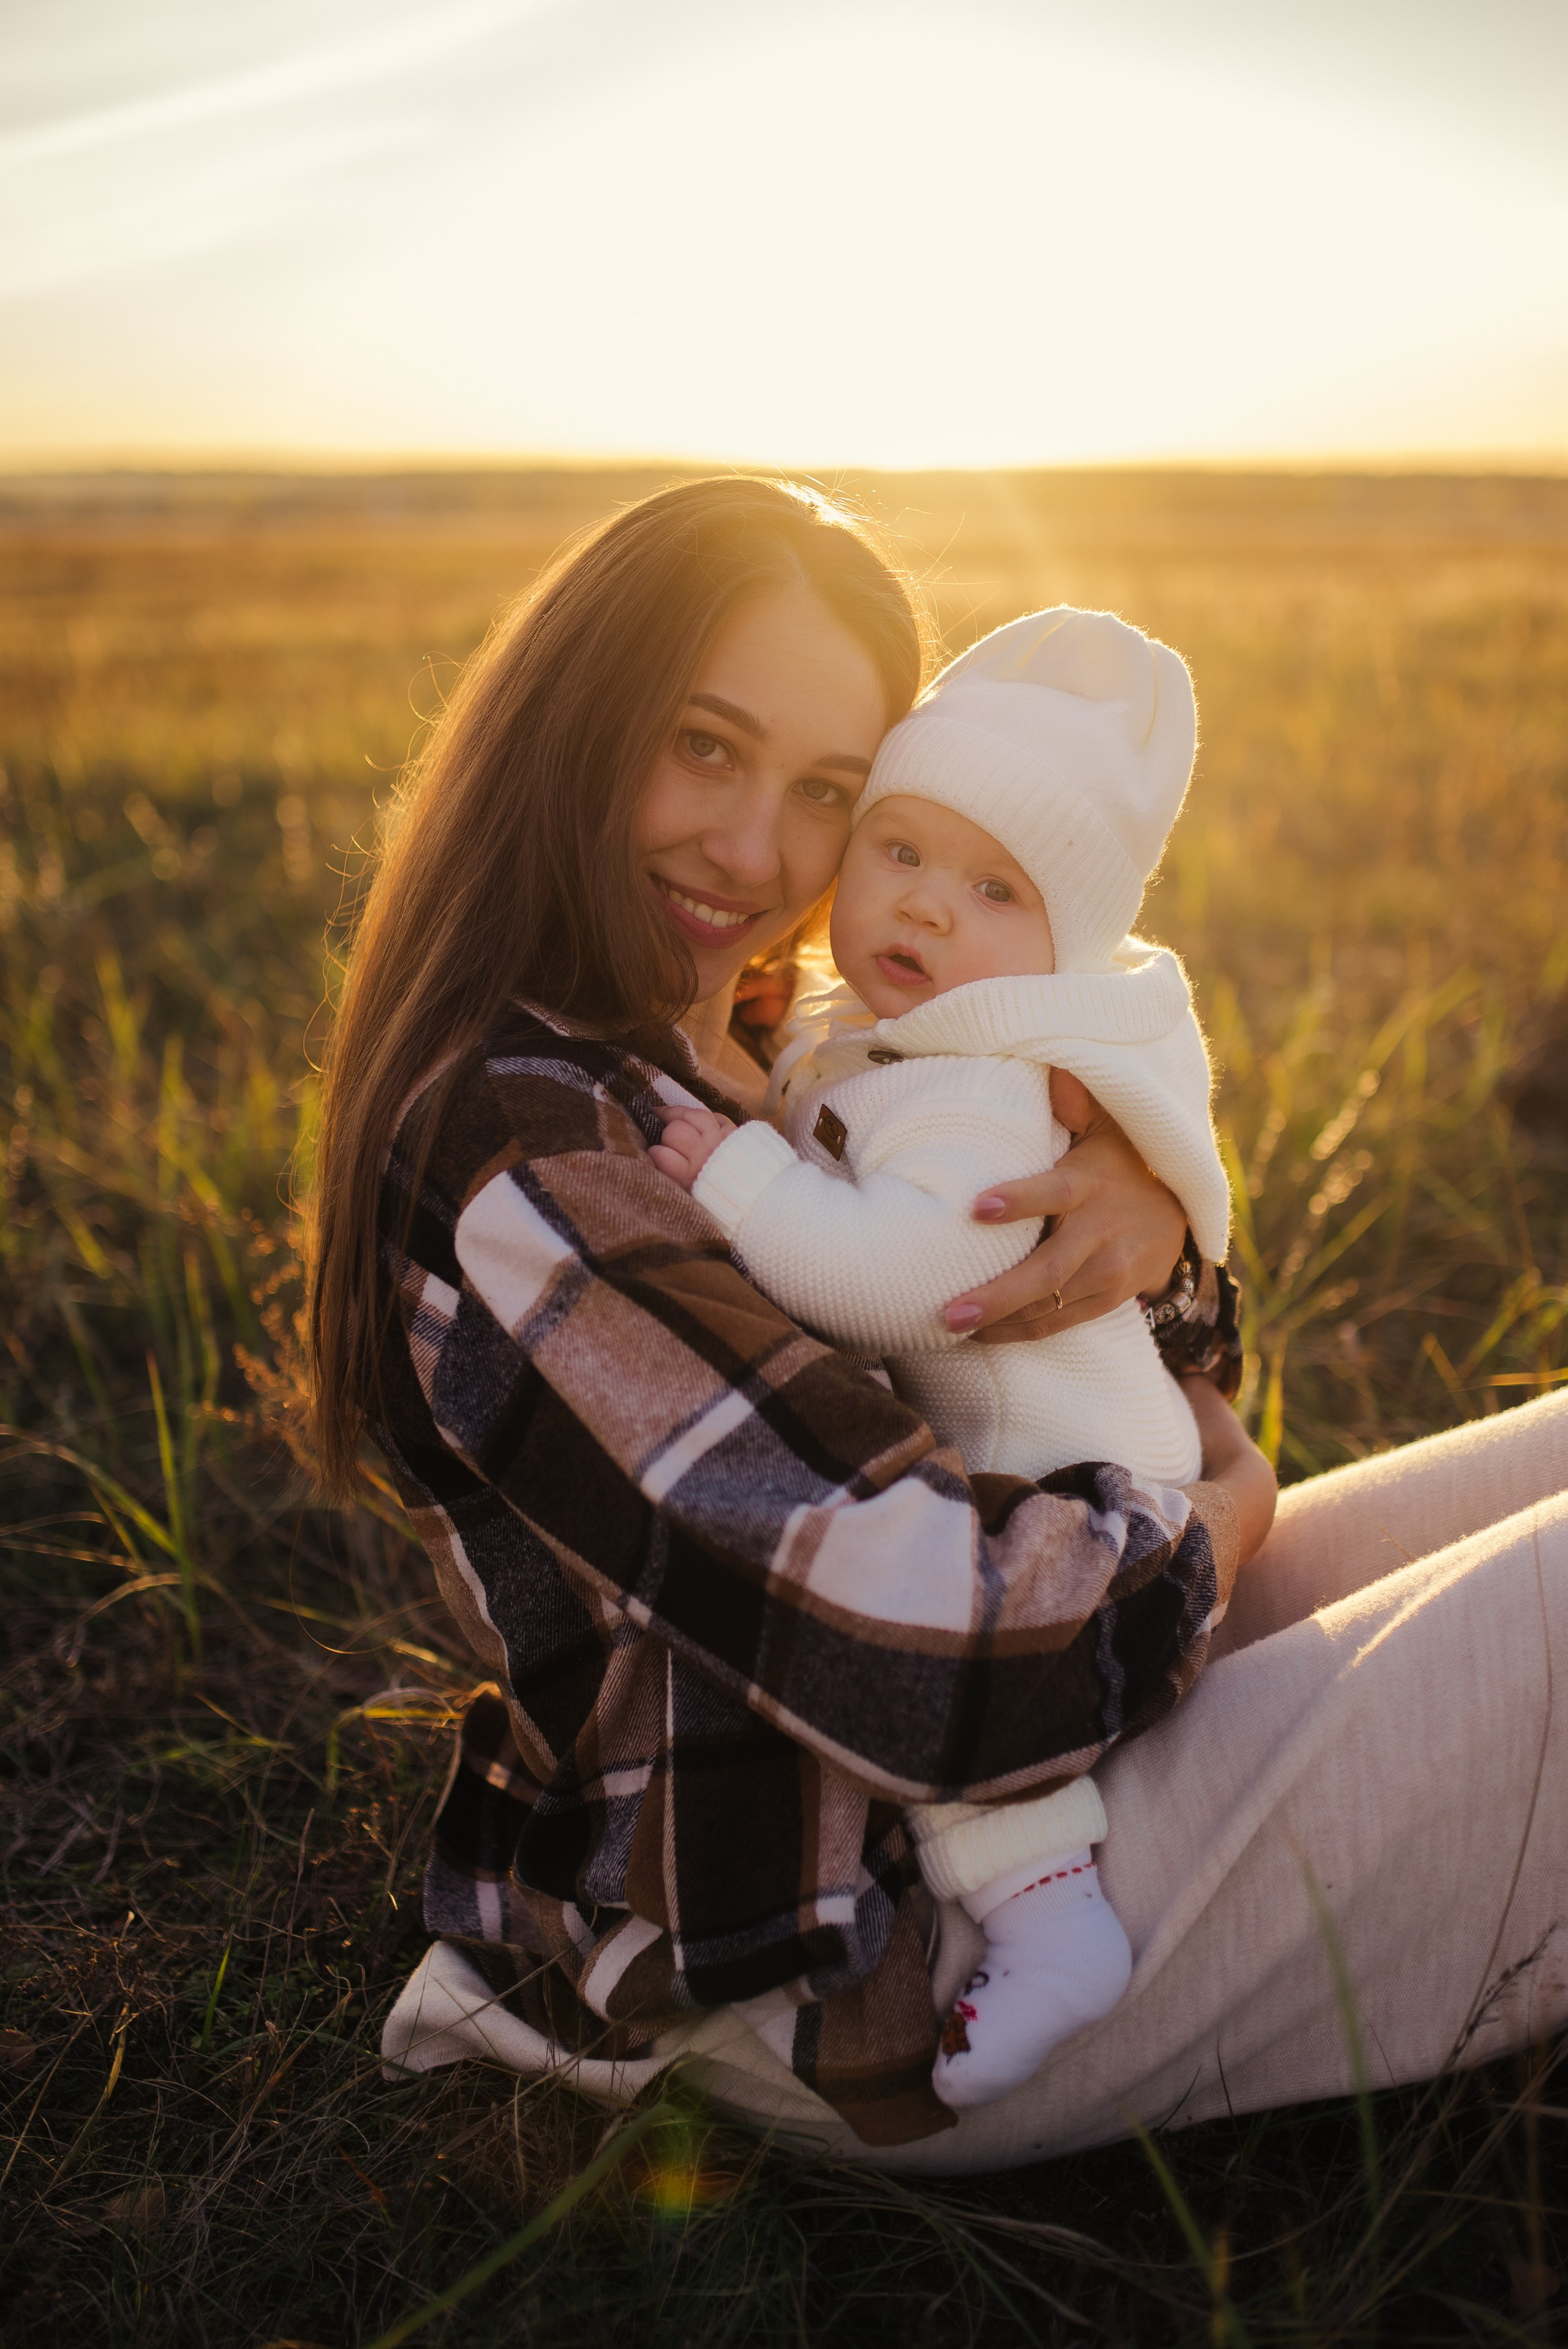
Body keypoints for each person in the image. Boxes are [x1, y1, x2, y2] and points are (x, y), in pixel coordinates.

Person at [310, 475, 1565, 2166]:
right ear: (577, 720)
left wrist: (1142, 1234)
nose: (758, 853)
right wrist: (1218, 1521)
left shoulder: (754, 1027)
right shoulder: (537, 1152)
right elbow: (930, 1668)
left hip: (1019, 1739)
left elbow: (1076, 1374)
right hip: (861, 1938)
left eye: (829, 791)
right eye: (702, 744)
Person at [647, 603, 1234, 2108]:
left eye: (991, 888)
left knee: (984, 1682)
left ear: (1060, 946)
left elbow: (893, 1277)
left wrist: (729, 1173)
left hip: (1066, 1472)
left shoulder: (975, 1084)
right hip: (1073, 1445)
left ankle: (1051, 1930)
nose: (919, 908)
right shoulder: (894, 1033)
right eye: (898, 850)